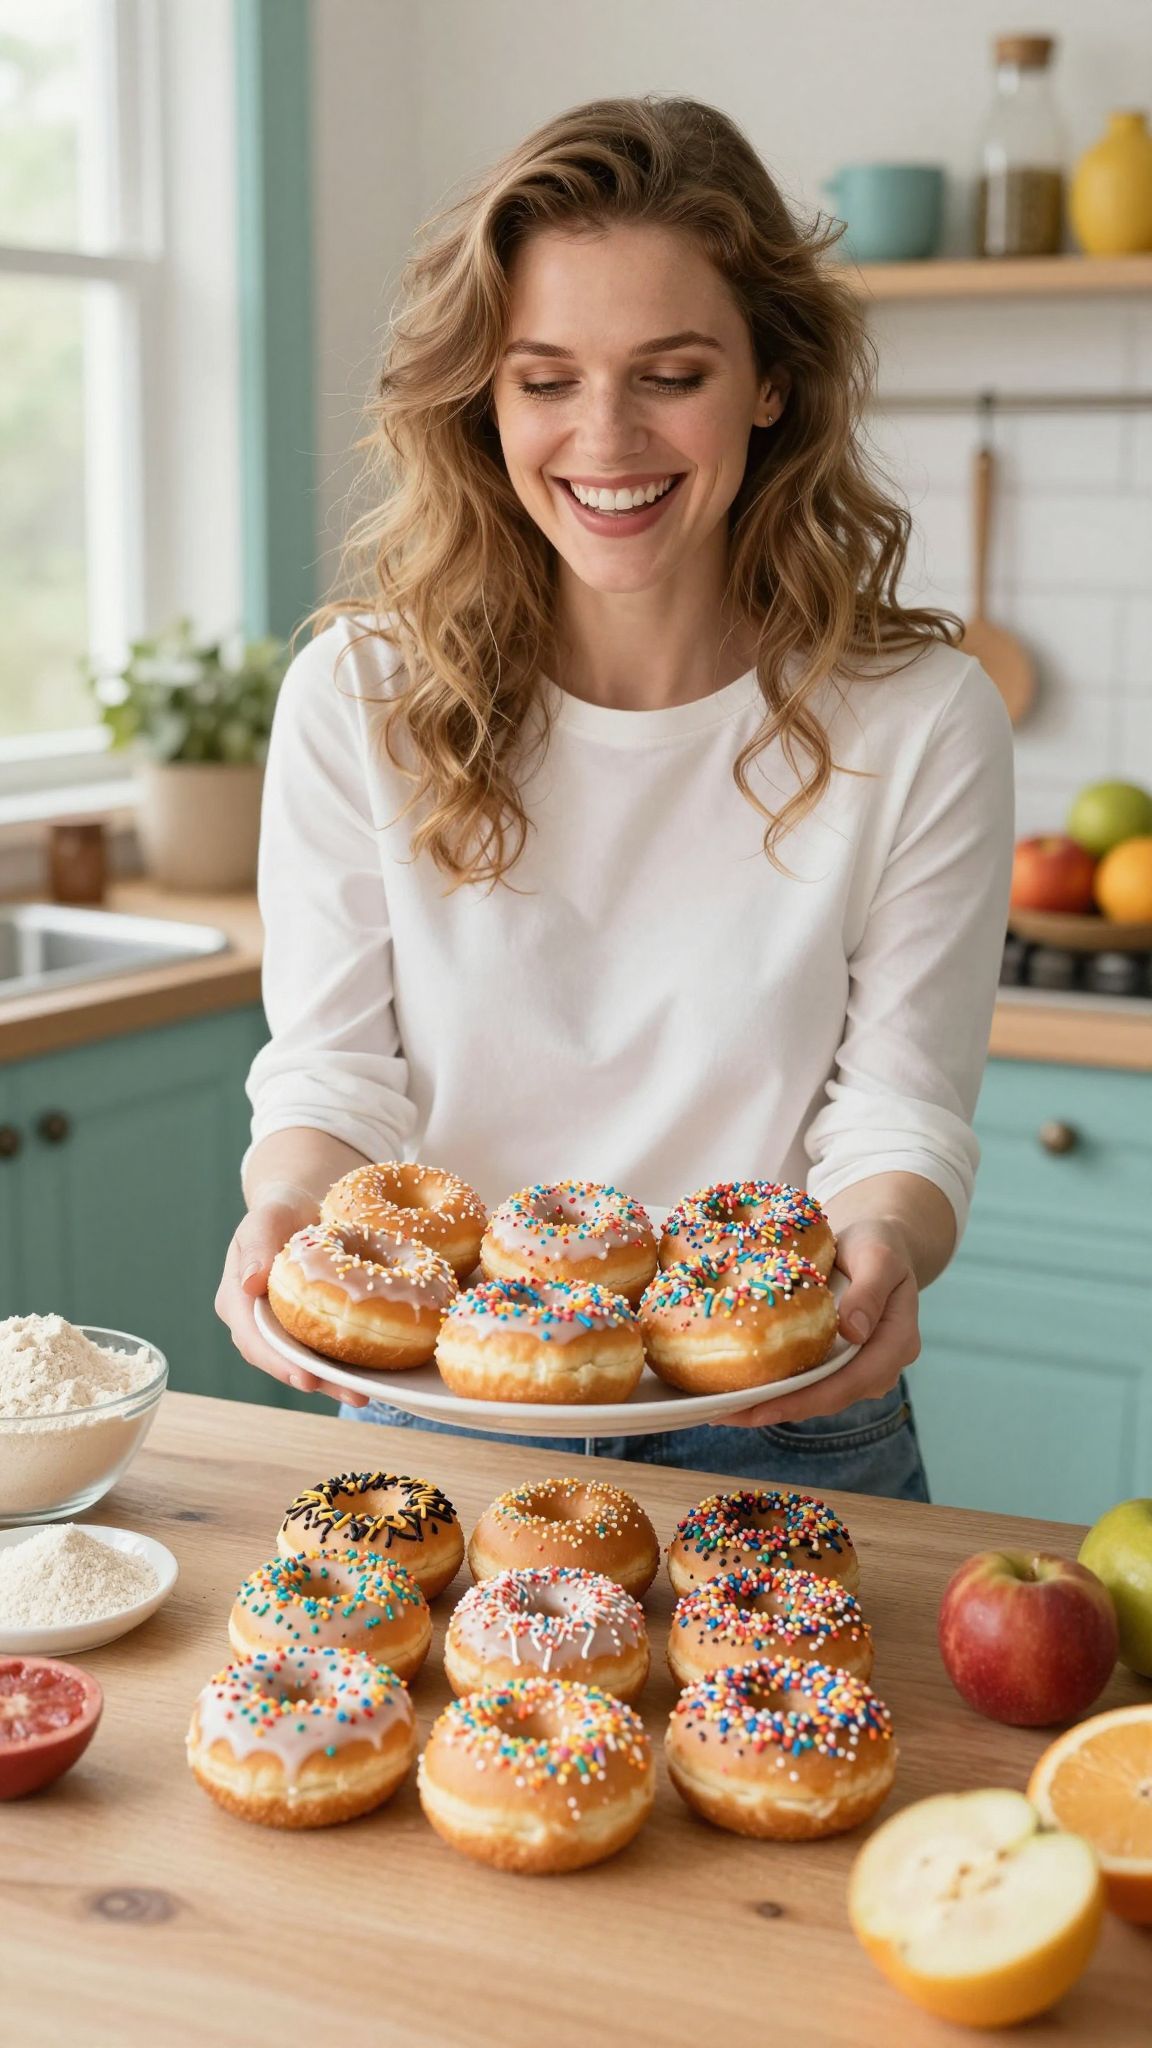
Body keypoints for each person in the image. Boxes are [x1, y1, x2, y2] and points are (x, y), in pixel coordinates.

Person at [215, 96, 1013, 1501]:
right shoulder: (361, 695)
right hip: (437, 1407)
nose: (606, 436)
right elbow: (338, 1075)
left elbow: (899, 1114)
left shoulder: (921, 717)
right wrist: (284, 1211)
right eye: (545, 378)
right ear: (485, 394)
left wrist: (887, 1238)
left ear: (770, 380)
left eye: (671, 373)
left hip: (781, 1416)